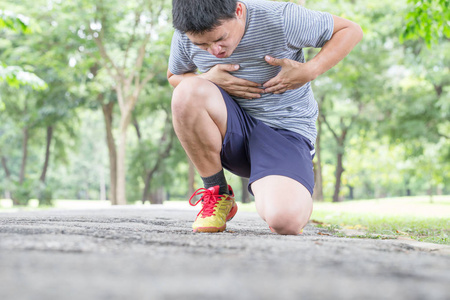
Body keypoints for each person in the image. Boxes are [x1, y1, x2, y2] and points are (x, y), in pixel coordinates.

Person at [167, 0, 362, 234]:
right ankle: (216, 192)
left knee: (285, 221)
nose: (214, 51)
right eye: (202, 45)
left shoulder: (282, 18)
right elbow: (174, 76)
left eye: (220, 39)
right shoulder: (184, 34)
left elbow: (350, 30)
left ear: (238, 11)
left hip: (283, 132)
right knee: (185, 93)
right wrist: (209, 78)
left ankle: (280, 186)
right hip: (230, 130)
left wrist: (310, 70)